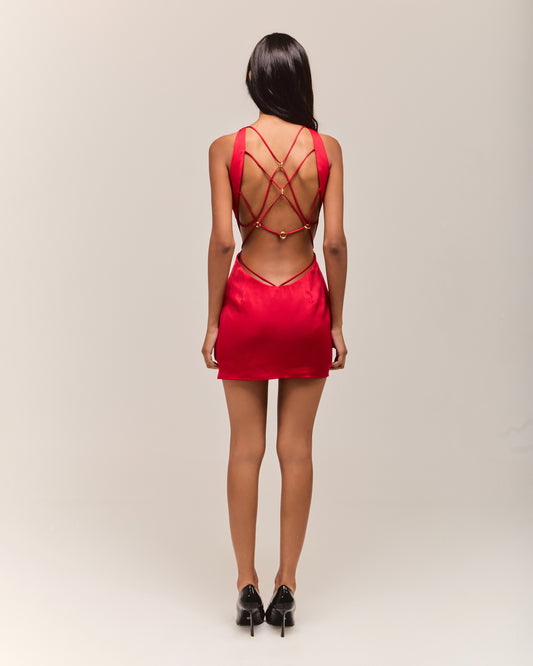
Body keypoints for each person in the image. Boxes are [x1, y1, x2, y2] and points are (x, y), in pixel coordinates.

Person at [201, 32, 347, 636]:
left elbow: (223, 241)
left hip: (247, 304)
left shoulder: (225, 149)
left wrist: (213, 319)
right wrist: (337, 320)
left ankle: (246, 585)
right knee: (297, 451)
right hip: (305, 302)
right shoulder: (327, 149)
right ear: (300, 81)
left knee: (245, 449)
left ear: (253, 80)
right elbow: (333, 243)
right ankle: (287, 585)